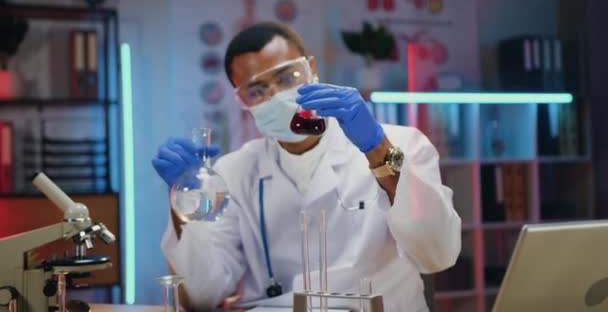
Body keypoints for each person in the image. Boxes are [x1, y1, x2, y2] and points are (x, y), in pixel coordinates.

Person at [152, 22, 461, 312]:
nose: (275, 97)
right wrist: (185, 200)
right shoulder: (233, 172)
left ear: (310, 68)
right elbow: (203, 294)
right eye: (257, 90)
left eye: (286, 77)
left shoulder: (401, 144)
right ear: (241, 100)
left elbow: (438, 253)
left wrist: (378, 150)